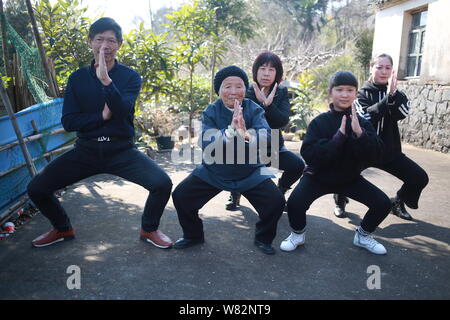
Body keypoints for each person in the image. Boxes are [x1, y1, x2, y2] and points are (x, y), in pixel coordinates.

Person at [27, 18, 173, 249]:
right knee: (36, 188)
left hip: (121, 150)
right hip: (86, 150)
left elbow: (123, 110)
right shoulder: (76, 78)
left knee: (162, 184)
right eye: (99, 39)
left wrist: (105, 80)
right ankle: (62, 228)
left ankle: (149, 228)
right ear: (90, 42)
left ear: (119, 45)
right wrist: (102, 117)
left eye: (111, 41)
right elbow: (69, 122)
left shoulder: (130, 77)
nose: (105, 45)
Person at [172, 65, 285, 255]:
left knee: (275, 201)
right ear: (219, 90)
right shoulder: (211, 111)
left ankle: (263, 238)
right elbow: (205, 141)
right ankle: (193, 235)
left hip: (249, 171)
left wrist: (246, 134)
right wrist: (230, 132)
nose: (234, 92)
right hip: (215, 171)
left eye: (239, 86)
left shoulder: (254, 109)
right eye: (227, 86)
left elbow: (267, 136)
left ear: (245, 88)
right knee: (181, 196)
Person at [280, 70, 392, 255]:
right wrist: (337, 139)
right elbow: (308, 153)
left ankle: (363, 235)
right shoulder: (319, 122)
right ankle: (298, 234)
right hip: (318, 177)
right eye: (339, 89)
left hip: (350, 178)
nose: (345, 94)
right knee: (295, 203)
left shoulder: (362, 122)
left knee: (382, 204)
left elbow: (376, 154)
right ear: (331, 93)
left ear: (356, 93)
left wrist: (360, 134)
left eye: (350, 90)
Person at [333, 54, 429, 220]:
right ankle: (340, 201)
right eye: (379, 67)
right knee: (343, 173)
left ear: (392, 71)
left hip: (388, 150)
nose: (383, 72)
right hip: (364, 150)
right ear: (371, 69)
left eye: (387, 68)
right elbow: (366, 118)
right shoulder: (361, 94)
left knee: (419, 177)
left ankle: (398, 202)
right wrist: (388, 98)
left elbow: (403, 113)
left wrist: (394, 95)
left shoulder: (397, 94)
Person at [225, 51, 304, 211]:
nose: (266, 74)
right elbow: (243, 121)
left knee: (297, 165)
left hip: (273, 146)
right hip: (248, 147)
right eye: (262, 68)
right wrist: (260, 104)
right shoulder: (246, 91)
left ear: (277, 73)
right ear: (256, 71)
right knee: (236, 162)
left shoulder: (281, 93)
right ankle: (235, 192)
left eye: (271, 70)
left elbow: (282, 121)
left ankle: (280, 190)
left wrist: (268, 105)